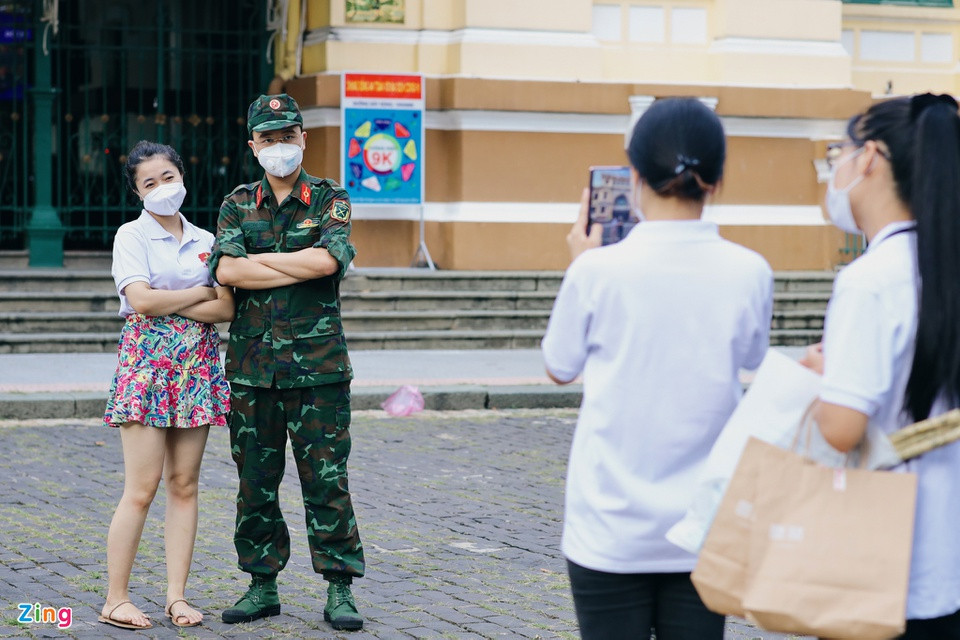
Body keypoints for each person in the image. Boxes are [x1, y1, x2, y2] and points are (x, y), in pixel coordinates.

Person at [541, 97, 774, 640]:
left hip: (609, 522)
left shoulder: (596, 271)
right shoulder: (750, 272)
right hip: (703, 520)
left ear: (634, 175)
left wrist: (582, 264)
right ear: (715, 180)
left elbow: (559, 365)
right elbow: (753, 359)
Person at [801, 93, 960, 639]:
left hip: (885, 567)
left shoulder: (872, 281)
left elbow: (842, 429)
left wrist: (818, 377)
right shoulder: (943, 266)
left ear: (869, 157)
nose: (835, 167)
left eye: (837, 152)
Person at [209, 94, 364, 631]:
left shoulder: (329, 199)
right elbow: (228, 273)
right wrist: (294, 266)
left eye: (287, 135)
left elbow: (328, 260)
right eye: (267, 138)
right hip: (252, 370)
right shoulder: (236, 204)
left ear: (305, 138)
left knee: (326, 481)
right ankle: (261, 584)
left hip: (318, 370)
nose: (279, 147)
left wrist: (260, 262)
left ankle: (339, 587)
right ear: (253, 145)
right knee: (255, 482)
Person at [99, 141, 234, 630]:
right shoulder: (129, 236)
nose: (161, 188)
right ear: (136, 192)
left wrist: (171, 297)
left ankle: (177, 596)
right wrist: (199, 292)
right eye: (149, 183)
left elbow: (227, 309)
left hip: (196, 367)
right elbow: (141, 302)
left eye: (167, 177)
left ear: (183, 175)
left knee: (185, 484)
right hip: (146, 368)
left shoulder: (206, 238)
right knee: (142, 487)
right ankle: (116, 598)